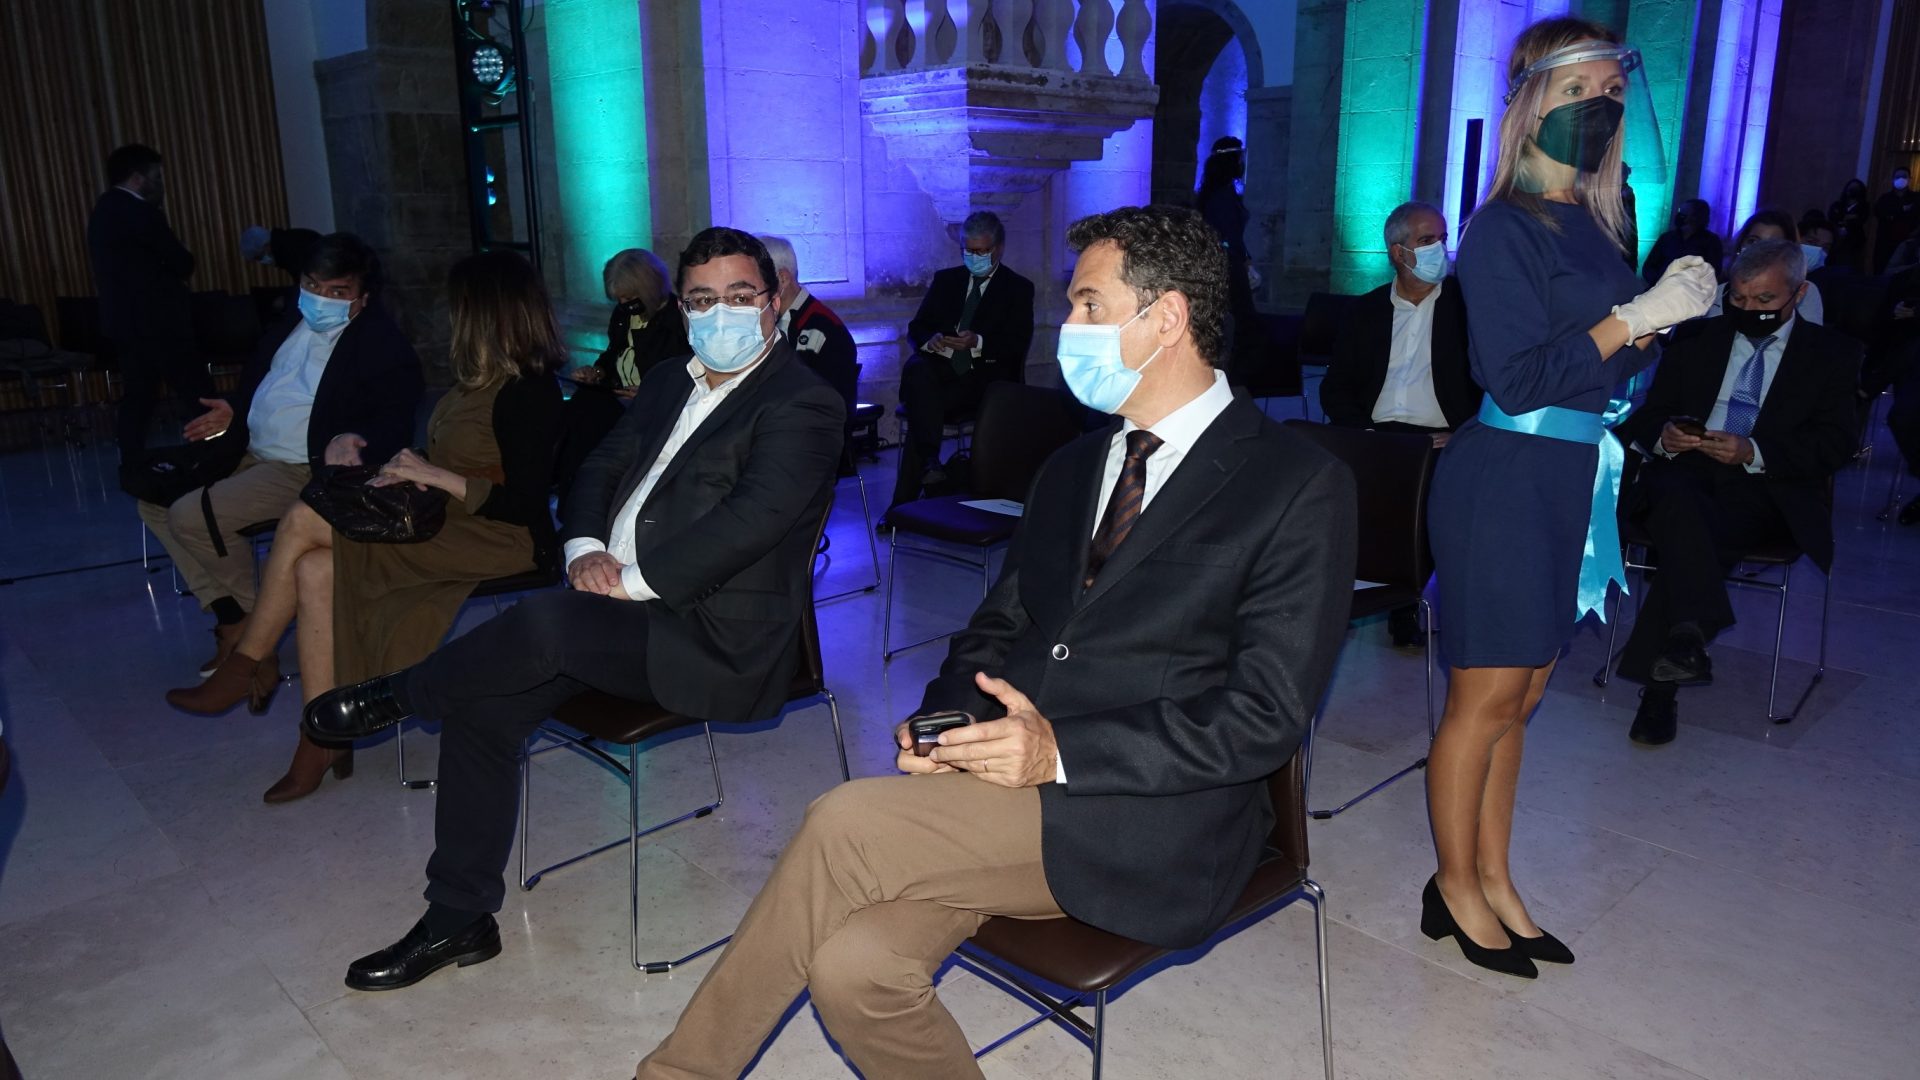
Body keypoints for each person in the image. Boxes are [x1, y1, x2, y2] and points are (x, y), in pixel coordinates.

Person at [631, 204, 1354, 1080]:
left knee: (844, 824)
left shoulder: (1294, 484)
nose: (1069, 326)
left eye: (1089, 304)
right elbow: (999, 626)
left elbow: (1264, 715)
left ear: (1167, 317)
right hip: (1005, 785)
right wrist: (946, 727)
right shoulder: (1075, 466)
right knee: (856, 970)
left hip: (1150, 814)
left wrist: (1057, 753)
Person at [298, 228, 845, 991]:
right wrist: (586, 546)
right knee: (485, 702)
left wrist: (631, 582)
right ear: (682, 308)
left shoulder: (804, 403)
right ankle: (458, 918)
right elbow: (598, 466)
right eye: (701, 300)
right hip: (608, 609)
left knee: (544, 623)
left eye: (739, 296)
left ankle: (398, 695)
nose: (720, 313)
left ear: (773, 301)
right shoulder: (668, 380)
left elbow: (752, 520)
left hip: (711, 634)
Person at [1424, 17, 1717, 978]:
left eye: (1612, 92)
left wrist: (1654, 328)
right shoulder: (1500, 226)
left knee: (1526, 695)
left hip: (1570, 476)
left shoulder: (1594, 223)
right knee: (1484, 697)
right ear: (1532, 101)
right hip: (1505, 477)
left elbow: (1609, 370)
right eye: (1578, 88)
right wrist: (1632, 319)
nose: (1599, 105)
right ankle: (1453, 887)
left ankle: (1495, 875)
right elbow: (1515, 379)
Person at [164, 251, 565, 804]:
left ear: (487, 313)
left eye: (459, 308)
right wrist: (402, 465)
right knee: (314, 567)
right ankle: (322, 731)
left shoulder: (530, 390)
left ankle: (246, 663)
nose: (451, 317)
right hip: (452, 518)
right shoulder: (478, 382)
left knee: (304, 515)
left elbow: (524, 502)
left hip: (502, 539)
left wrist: (435, 476)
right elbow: (463, 458)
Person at [138, 233, 422, 685]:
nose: (320, 299)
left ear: (363, 298)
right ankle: (238, 619)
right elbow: (269, 383)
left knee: (191, 515)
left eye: (337, 291)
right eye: (312, 285)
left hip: (300, 467)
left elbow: (395, 422)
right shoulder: (292, 320)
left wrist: (353, 437)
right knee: (153, 498)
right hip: (248, 448)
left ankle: (252, 638)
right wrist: (236, 408)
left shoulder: (382, 347)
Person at [1610, 240, 1860, 743]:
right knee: (1682, 502)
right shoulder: (1698, 339)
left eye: (1765, 301)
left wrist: (1754, 451)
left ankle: (1667, 678)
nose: (1750, 310)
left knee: (1691, 527)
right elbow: (1650, 413)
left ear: (1798, 294)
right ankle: (1687, 638)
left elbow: (1836, 443)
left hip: (1766, 485)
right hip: (1685, 471)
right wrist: (1665, 436)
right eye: (1739, 299)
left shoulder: (1831, 353)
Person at [1321, 199, 1481, 647]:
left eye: (1443, 239)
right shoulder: (1366, 311)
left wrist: (1465, 431)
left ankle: (1406, 602)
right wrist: (1363, 433)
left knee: (1427, 497)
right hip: (1376, 433)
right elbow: (1335, 387)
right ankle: (1339, 595)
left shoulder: (1467, 309)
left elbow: (1492, 383)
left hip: (1440, 436)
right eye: (1427, 240)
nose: (1439, 250)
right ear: (1398, 252)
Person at [891, 211, 1036, 510]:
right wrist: (931, 339)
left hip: (984, 381)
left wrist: (977, 342)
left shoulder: (1018, 289)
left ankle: (904, 502)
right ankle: (930, 466)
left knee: (922, 410)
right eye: (967, 251)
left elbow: (1016, 344)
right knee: (919, 372)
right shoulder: (946, 280)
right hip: (940, 374)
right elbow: (917, 327)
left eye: (981, 251)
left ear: (998, 248)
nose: (974, 257)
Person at [88, 144, 207, 469]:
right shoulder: (141, 213)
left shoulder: (104, 211)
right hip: (160, 321)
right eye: (156, 177)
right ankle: (218, 450)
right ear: (138, 178)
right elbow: (181, 262)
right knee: (196, 390)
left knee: (139, 394)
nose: (160, 184)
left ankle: (132, 460)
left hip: (126, 323)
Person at [554, 249, 690, 506]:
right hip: (618, 395)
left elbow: (680, 372)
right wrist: (597, 372)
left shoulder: (675, 321)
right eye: (619, 298)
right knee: (581, 406)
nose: (623, 303)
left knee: (591, 418)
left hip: (654, 407)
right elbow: (613, 354)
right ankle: (573, 494)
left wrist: (647, 391)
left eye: (628, 297)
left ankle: (584, 497)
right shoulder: (623, 315)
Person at [1194, 135, 1270, 377]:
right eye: (1240, 158)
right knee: (1244, 324)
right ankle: (1238, 379)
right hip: (1228, 265)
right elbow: (1226, 236)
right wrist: (1240, 259)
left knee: (1240, 323)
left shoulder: (1219, 192)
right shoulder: (1222, 197)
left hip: (1228, 262)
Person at [759, 234, 859, 411]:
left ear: (783, 279)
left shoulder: (824, 329)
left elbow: (828, 405)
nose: (752, 291)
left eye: (758, 281)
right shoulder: (765, 321)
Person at [1705, 211, 1824, 325]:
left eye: (1765, 299)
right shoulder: (1718, 291)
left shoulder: (1805, 292)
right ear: (1741, 244)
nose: (1760, 250)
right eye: (1753, 241)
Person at [1641, 198, 1724, 284]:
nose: (1679, 216)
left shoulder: (1710, 241)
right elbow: (1649, 267)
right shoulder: (1667, 238)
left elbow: (1713, 271)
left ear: (1695, 217)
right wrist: (1658, 281)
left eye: (1684, 214)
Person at [1873, 166, 1918, 273]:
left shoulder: (1916, 198)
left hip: (1908, 241)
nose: (1901, 179)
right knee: (1881, 269)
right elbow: (1880, 213)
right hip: (1885, 241)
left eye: (1904, 176)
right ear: (1893, 179)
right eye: (1898, 177)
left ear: (1909, 179)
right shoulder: (1885, 198)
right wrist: (1902, 210)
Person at [240, 225, 322, 281]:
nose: (262, 262)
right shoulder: (287, 239)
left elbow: (305, 284)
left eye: (259, 257)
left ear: (266, 246)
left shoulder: (288, 251)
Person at [1829, 178, 1870, 273]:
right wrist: (1847, 218)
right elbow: (1833, 217)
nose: (1852, 190)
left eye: (1856, 188)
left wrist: (1844, 219)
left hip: (1854, 243)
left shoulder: (1864, 207)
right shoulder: (1838, 205)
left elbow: (1860, 220)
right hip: (1836, 242)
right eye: (1851, 187)